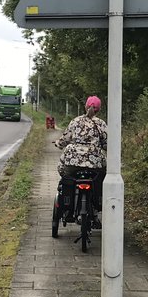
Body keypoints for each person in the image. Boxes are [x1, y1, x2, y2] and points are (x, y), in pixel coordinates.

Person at [55, 95, 108, 224]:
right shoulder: (101, 124)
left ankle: (68, 208)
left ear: (86, 107)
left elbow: (65, 139)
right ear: (98, 110)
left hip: (73, 161)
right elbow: (107, 143)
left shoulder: (75, 121)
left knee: (66, 176)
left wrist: (58, 144)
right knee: (100, 178)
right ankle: (96, 208)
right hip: (95, 164)